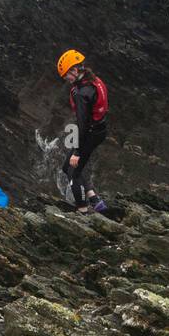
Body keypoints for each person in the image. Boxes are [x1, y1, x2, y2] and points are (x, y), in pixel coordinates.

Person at [57, 49, 109, 214]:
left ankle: (83, 209)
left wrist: (77, 152)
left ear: (75, 69)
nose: (66, 79)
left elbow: (82, 124)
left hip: (89, 134)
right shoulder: (93, 80)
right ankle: (95, 199)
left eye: (67, 75)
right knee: (67, 167)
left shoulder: (81, 93)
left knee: (73, 170)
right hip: (99, 129)